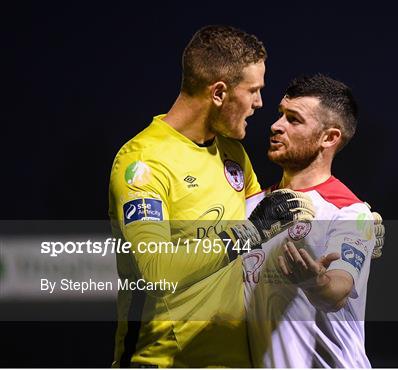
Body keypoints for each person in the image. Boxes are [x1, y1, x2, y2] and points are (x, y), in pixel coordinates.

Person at [108, 25, 315, 368]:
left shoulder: (233, 152)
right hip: (164, 360)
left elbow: (269, 224)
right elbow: (156, 270)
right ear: (219, 93)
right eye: (253, 91)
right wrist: (248, 233)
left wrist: (344, 222)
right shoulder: (142, 163)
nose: (259, 103)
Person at [243, 74, 378, 367]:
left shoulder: (349, 213)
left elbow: (338, 290)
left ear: (329, 137)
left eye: (294, 120)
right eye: (280, 114)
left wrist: (316, 282)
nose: (276, 126)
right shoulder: (250, 207)